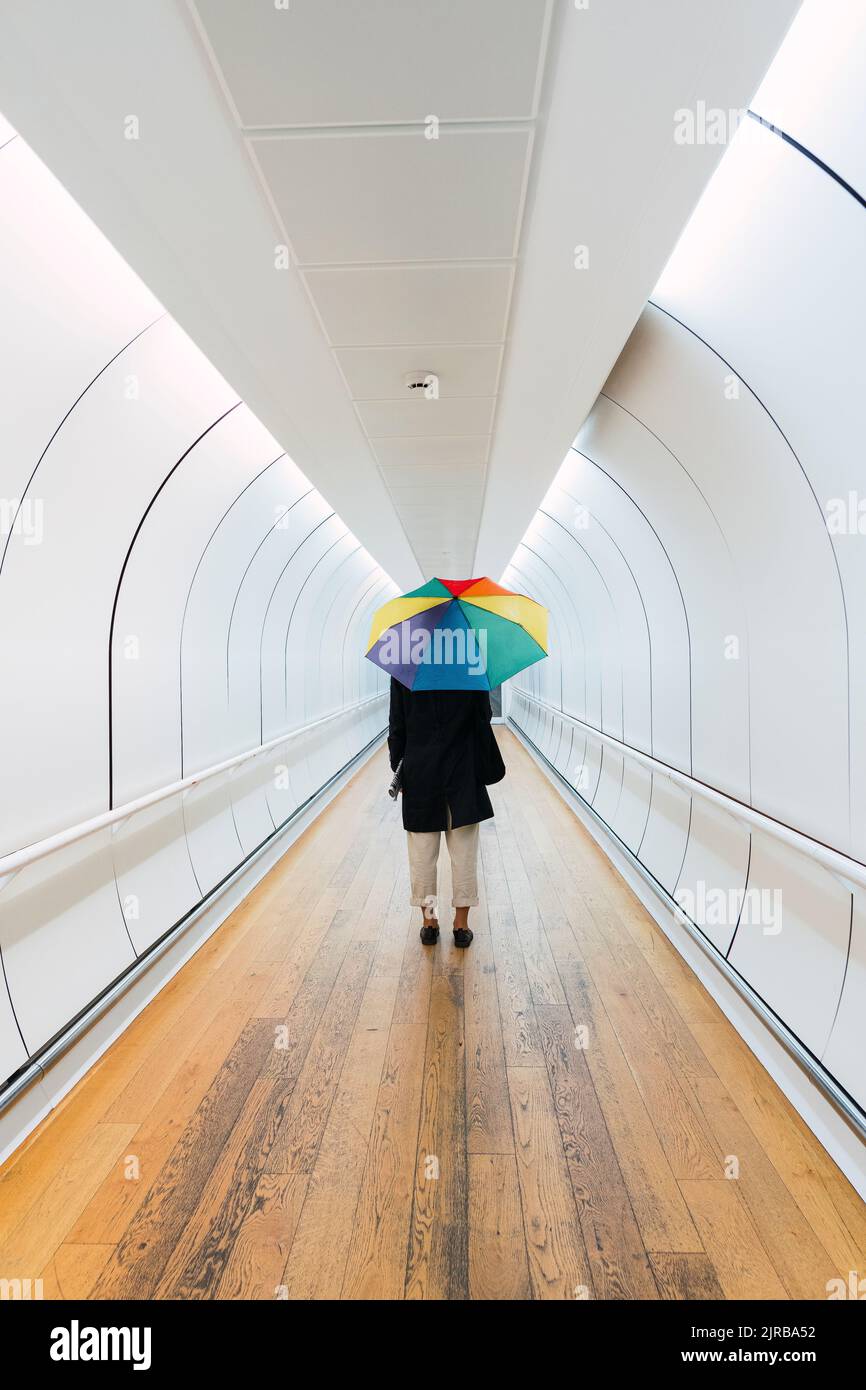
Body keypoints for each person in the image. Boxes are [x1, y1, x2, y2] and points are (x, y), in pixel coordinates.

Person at [387, 675, 505, 948]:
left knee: (422, 855)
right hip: (461, 768)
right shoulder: (468, 661)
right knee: (464, 853)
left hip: (420, 770)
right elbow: (483, 716)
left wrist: (399, 767)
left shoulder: (406, 661)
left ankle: (429, 923)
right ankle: (461, 926)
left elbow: (397, 723)